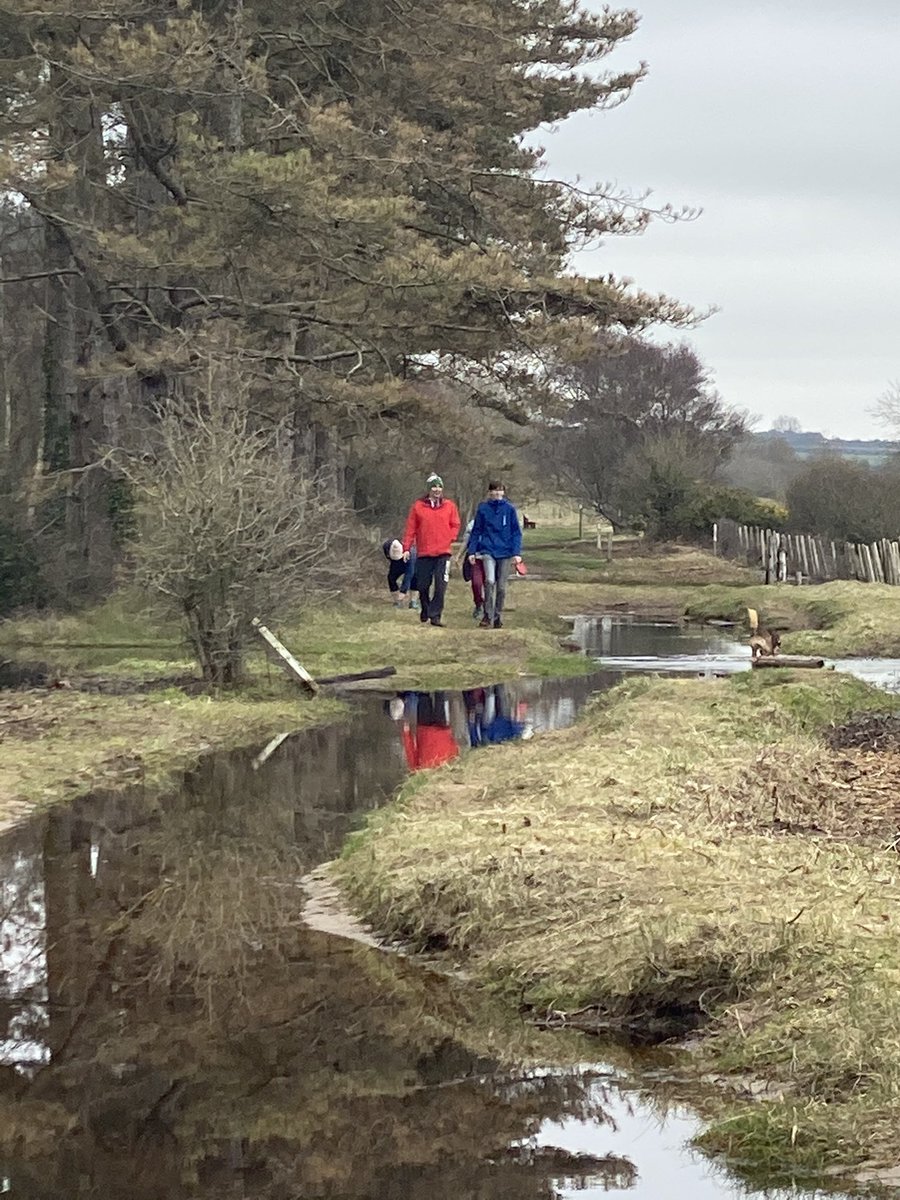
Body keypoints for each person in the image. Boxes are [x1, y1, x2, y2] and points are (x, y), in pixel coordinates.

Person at [401, 473, 461, 627]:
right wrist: (407, 548)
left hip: (443, 552)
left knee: (441, 585)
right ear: (429, 489)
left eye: (439, 486)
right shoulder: (418, 507)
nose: (437, 489)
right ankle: (425, 608)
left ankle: (435, 615)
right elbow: (410, 529)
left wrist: (450, 537)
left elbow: (455, 524)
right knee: (423, 585)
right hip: (424, 552)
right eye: (434, 486)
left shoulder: (449, 506)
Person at [466, 481, 522, 629]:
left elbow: (516, 532)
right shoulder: (483, 509)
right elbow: (476, 531)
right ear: (490, 492)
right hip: (488, 550)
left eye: (500, 490)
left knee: (501, 587)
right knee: (489, 581)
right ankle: (487, 615)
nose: (497, 493)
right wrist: (472, 551)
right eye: (494, 491)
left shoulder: (509, 509)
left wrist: (516, 553)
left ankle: (497, 616)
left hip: (505, 552)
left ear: (503, 492)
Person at [382, 537, 418, 609]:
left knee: (414, 578)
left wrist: (403, 591)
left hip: (411, 562)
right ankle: (397, 602)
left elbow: (408, 575)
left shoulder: (411, 554)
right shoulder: (386, 546)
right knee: (391, 578)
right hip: (395, 563)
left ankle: (413, 602)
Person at [462, 518, 486, 621]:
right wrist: (459, 555)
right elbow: (467, 541)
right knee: (476, 583)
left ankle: (488, 607)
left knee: (490, 583)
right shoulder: (472, 524)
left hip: (492, 557)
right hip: (476, 558)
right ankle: (478, 604)